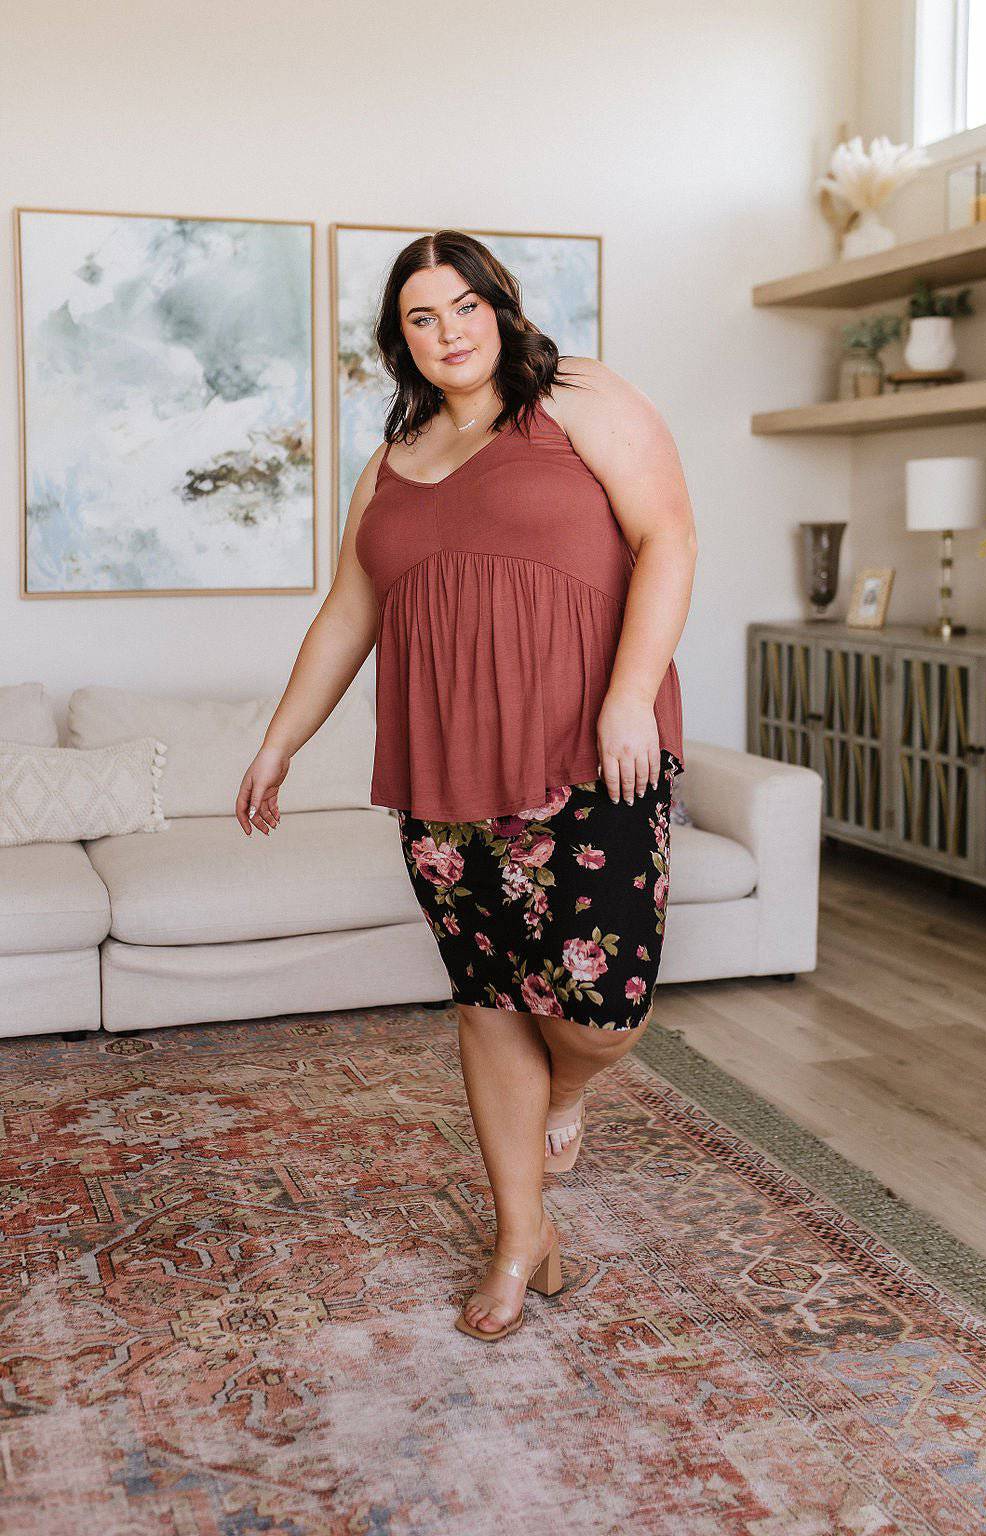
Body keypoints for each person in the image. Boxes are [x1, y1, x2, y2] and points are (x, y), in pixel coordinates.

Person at [235, 230, 698, 1342]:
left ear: (501, 307)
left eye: (464, 307)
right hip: (443, 769)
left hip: (593, 751)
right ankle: (520, 1238)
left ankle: (568, 1093)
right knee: (490, 1001)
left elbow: (669, 537)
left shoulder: (579, 398)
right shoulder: (393, 459)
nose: (448, 333)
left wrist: (630, 697)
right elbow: (347, 615)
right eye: (421, 318)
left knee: (604, 1009)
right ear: (399, 340)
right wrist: (278, 743)